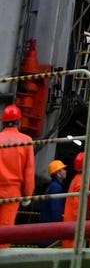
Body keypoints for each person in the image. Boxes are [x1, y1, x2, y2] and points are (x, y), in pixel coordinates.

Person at [0, 103, 35, 248]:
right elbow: (29, 171)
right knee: (5, 230)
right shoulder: (26, 141)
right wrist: (27, 195)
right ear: (19, 122)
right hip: (12, 193)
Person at [38, 160, 66, 246]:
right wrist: (58, 228)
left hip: (45, 227)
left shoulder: (51, 186)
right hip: (50, 230)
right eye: (63, 169)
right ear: (58, 173)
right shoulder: (56, 188)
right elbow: (55, 210)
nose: (65, 171)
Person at [61, 152, 86, 248]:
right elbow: (78, 205)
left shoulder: (75, 179)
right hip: (74, 225)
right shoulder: (81, 181)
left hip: (69, 222)